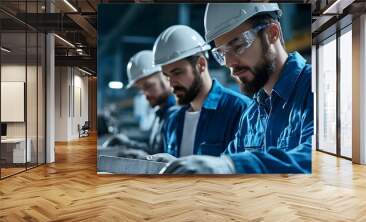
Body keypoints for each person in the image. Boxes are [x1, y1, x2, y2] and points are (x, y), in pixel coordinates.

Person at [162, 3, 313, 174]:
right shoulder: (252, 115)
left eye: (238, 45)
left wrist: (232, 166)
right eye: (222, 53)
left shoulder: (316, 88)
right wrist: (182, 165)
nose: (229, 63)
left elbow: (314, 159)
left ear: (272, 33)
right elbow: (223, 163)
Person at [151, 25, 250, 162]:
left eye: (177, 72)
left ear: (201, 65)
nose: (171, 83)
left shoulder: (240, 110)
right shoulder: (172, 120)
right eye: (167, 76)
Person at [104, 50, 178, 156]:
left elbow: (175, 160)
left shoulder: (178, 113)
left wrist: (145, 157)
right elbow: (158, 151)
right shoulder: (161, 112)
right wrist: (129, 144)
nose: (145, 94)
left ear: (166, 76)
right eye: (141, 89)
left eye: (148, 86)